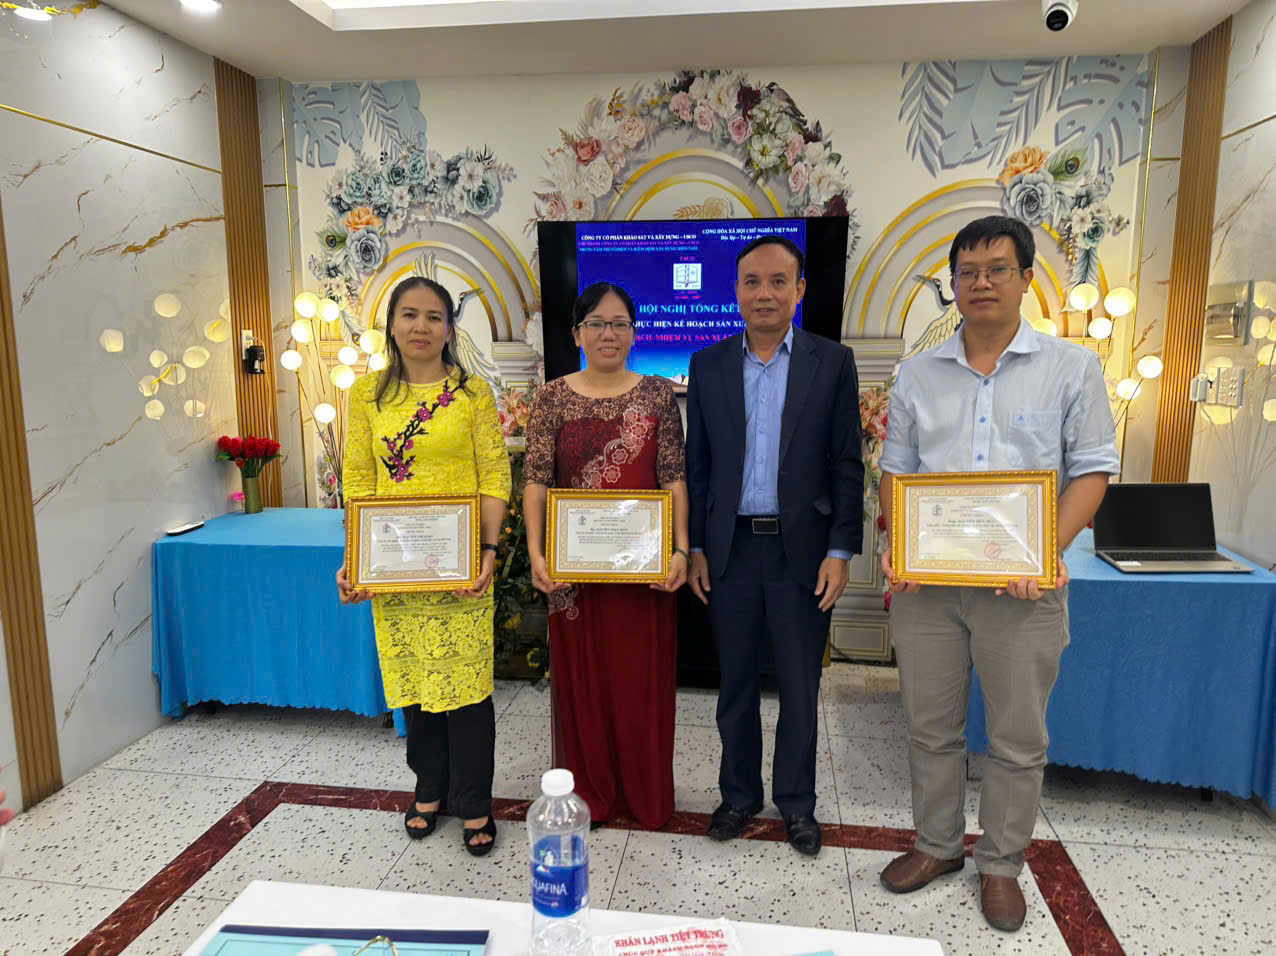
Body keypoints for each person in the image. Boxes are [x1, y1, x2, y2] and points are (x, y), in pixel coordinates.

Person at [877, 216, 1118, 931]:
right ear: (954, 283)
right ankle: (936, 846)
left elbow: (1092, 473)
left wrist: (1042, 554)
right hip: (929, 589)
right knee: (930, 727)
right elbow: (896, 473)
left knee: (1017, 736)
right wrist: (900, 544)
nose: (981, 282)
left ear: (1026, 279)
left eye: (997, 269)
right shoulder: (918, 373)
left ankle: (1002, 864)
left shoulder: (1072, 367)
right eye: (968, 272)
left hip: (1024, 591)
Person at [686, 235, 863, 856]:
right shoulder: (707, 364)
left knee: (799, 687)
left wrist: (840, 551)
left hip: (804, 556)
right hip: (730, 550)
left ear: (800, 289)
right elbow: (699, 466)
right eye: (752, 282)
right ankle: (737, 797)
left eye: (778, 281)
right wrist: (696, 546)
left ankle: (797, 804)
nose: (765, 293)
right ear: (736, 291)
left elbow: (847, 463)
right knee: (734, 686)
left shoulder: (831, 362)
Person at [336, 276, 512, 856]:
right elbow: (359, 480)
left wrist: (487, 552)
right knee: (414, 683)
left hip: (462, 568)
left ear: (449, 328)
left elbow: (494, 475)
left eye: (434, 316)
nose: (420, 326)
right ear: (391, 325)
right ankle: (429, 788)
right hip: (397, 568)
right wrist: (355, 560)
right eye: (409, 314)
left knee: (467, 688)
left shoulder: (473, 394)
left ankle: (474, 799)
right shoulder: (367, 395)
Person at [523, 282, 689, 830]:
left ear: (634, 333)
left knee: (639, 683)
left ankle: (644, 795)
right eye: (595, 323)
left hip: (643, 574)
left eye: (619, 323)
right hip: (573, 576)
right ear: (577, 334)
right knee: (584, 684)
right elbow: (536, 480)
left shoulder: (659, 395)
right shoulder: (551, 397)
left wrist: (679, 549)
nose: (608, 333)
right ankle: (588, 794)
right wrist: (536, 552)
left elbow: (673, 477)